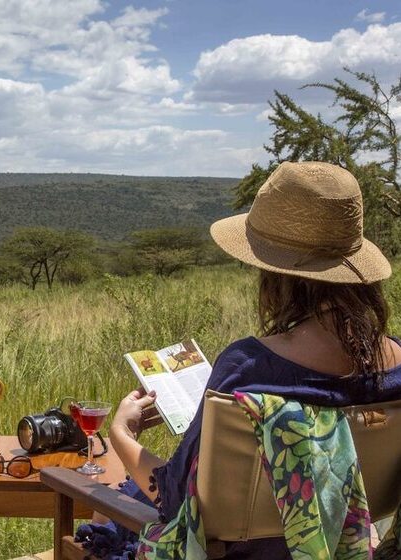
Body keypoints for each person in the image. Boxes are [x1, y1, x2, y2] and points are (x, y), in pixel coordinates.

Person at [106, 161, 401, 558]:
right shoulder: (396, 363)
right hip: (351, 548)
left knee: (107, 518)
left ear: (275, 273)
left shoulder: (249, 367)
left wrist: (122, 435)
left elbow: (179, 502)